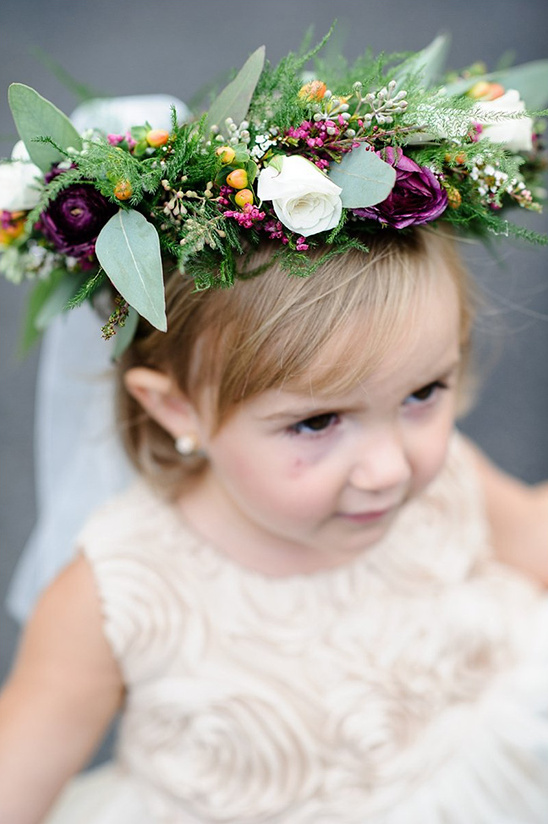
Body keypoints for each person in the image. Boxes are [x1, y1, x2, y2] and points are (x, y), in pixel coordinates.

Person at [1, 33, 548, 824]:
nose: (390, 468)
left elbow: (534, 540)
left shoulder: (447, 473)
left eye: (424, 392)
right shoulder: (117, 593)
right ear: (176, 407)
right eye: (317, 421)